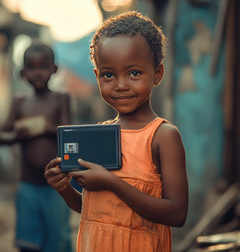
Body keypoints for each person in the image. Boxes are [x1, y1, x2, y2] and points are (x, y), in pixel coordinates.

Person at [44, 11, 188, 252]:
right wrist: (64, 189)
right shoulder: (98, 135)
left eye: (134, 73)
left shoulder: (162, 136)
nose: (121, 85)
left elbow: (177, 213)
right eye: (108, 75)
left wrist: (112, 182)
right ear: (97, 76)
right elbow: (93, 208)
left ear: (158, 74)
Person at [0, 41, 72, 252]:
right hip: (27, 184)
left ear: (54, 69)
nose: (38, 72)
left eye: (44, 66)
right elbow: (1, 137)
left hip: (57, 185)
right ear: (22, 72)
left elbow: (69, 136)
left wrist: (48, 128)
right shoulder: (20, 102)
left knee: (57, 240)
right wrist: (16, 136)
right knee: (28, 242)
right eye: (32, 67)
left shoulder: (60, 99)